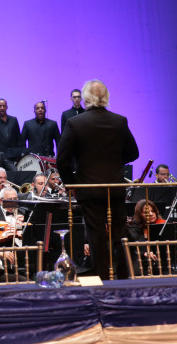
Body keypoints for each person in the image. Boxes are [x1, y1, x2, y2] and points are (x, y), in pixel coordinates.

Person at [57, 79, 140, 280]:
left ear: (85, 98)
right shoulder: (119, 121)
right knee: (120, 234)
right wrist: (113, 163)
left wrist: (71, 184)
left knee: (96, 236)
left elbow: (62, 160)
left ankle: (101, 278)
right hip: (115, 186)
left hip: (89, 188)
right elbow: (134, 153)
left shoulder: (75, 123)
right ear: (106, 97)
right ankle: (124, 277)